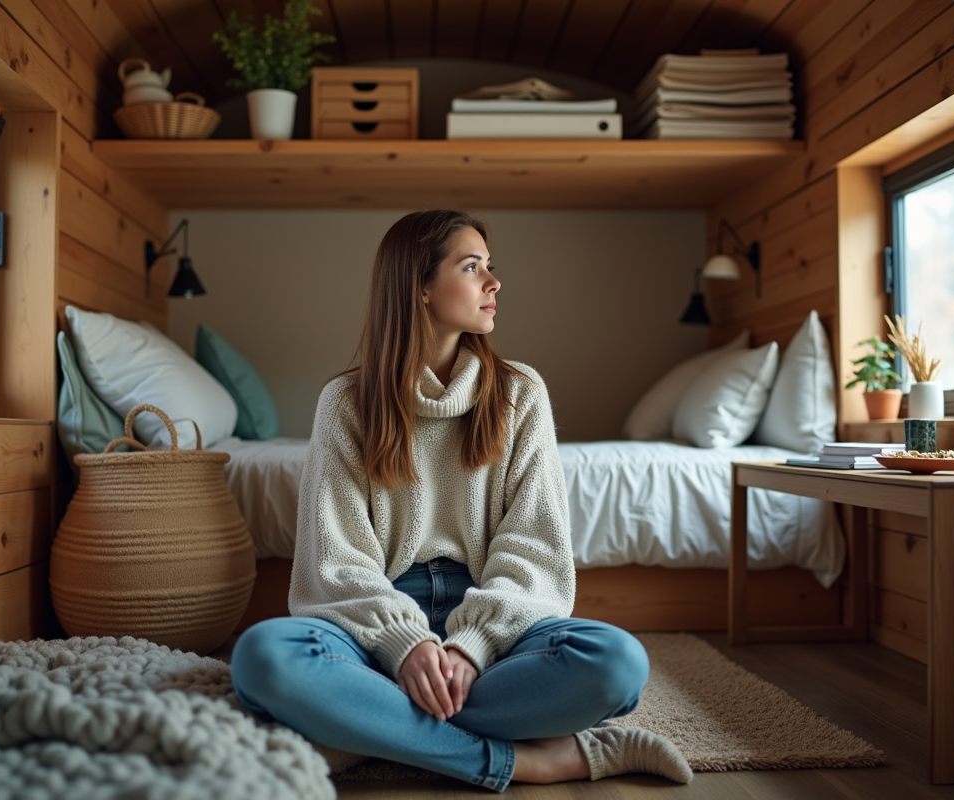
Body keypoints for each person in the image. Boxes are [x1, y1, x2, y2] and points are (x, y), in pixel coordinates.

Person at [231, 210, 691, 791]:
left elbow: (535, 547)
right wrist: (405, 646)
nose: (494, 282)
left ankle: (363, 722)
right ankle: (532, 761)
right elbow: (337, 559)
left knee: (618, 664)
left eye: (488, 267)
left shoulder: (520, 392)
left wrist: (472, 646)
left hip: (494, 616)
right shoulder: (345, 403)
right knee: (263, 657)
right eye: (472, 267)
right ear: (420, 287)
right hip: (375, 619)